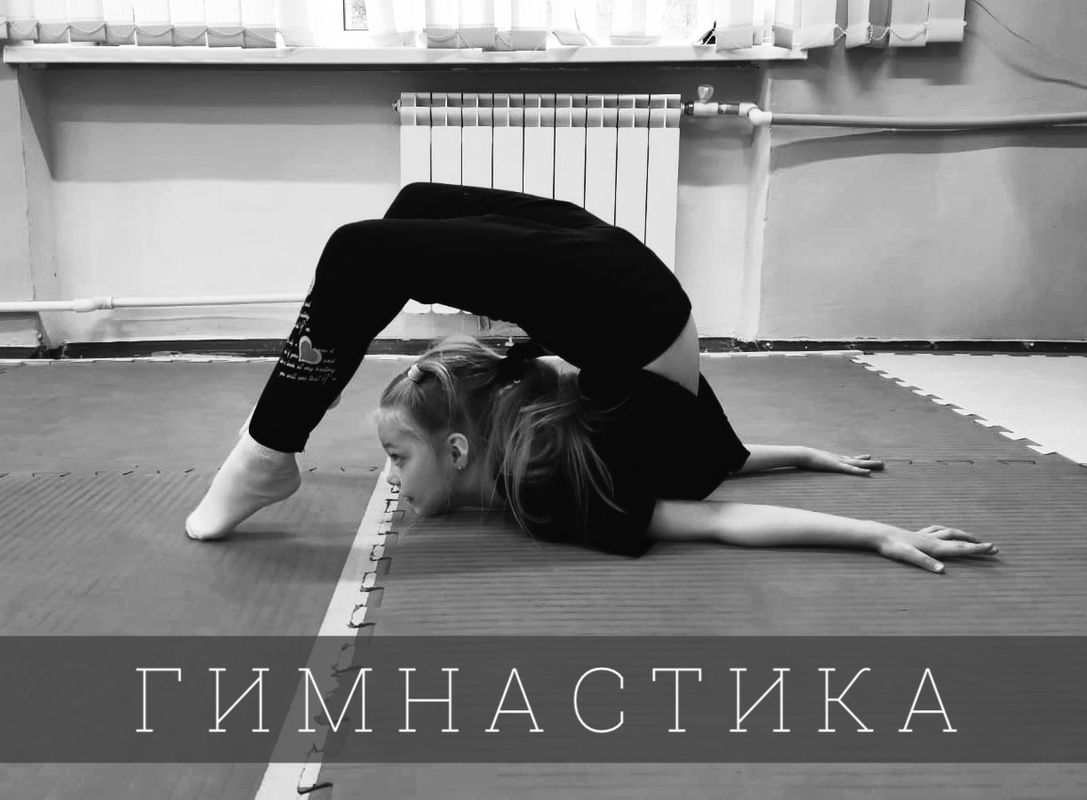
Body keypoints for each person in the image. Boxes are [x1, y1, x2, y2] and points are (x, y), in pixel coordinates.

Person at [186, 182, 998, 573]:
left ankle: (266, 451)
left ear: (461, 448)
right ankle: (267, 451)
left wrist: (856, 512)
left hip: (626, 301)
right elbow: (720, 492)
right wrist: (837, 488)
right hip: (617, 299)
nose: (390, 480)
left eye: (398, 458)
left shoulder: (550, 485)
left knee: (382, 233)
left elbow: (718, 500)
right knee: (387, 231)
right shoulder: (561, 461)